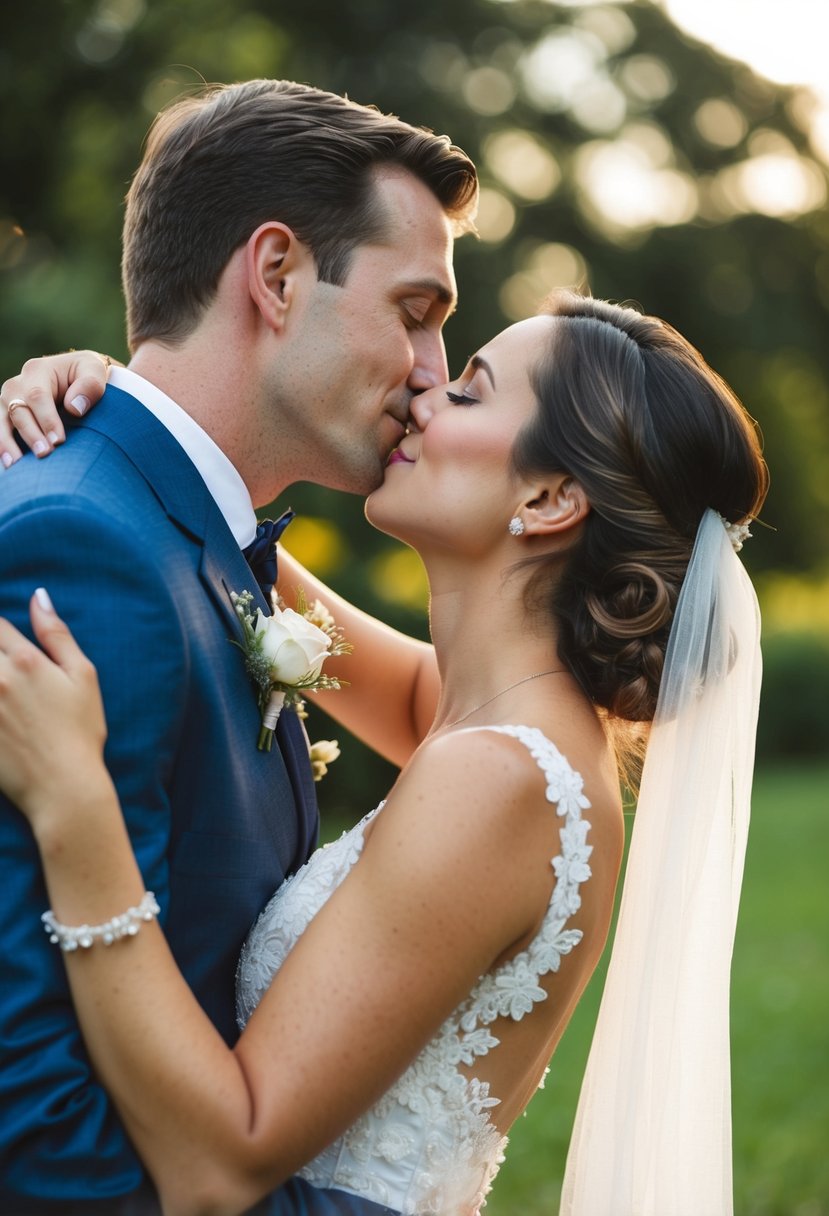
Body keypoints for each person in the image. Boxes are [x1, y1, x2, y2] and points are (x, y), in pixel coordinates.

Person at [0, 291, 768, 1216]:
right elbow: (238, 563)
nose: (426, 390)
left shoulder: (498, 780)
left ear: (550, 497)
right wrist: (131, 425)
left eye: (473, 393)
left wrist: (78, 812)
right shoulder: (495, 719)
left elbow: (221, 1164)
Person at [0, 78, 476, 1215]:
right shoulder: (78, 543)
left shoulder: (208, 545)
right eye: (415, 310)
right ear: (274, 275)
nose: (432, 371)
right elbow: (34, 1118)